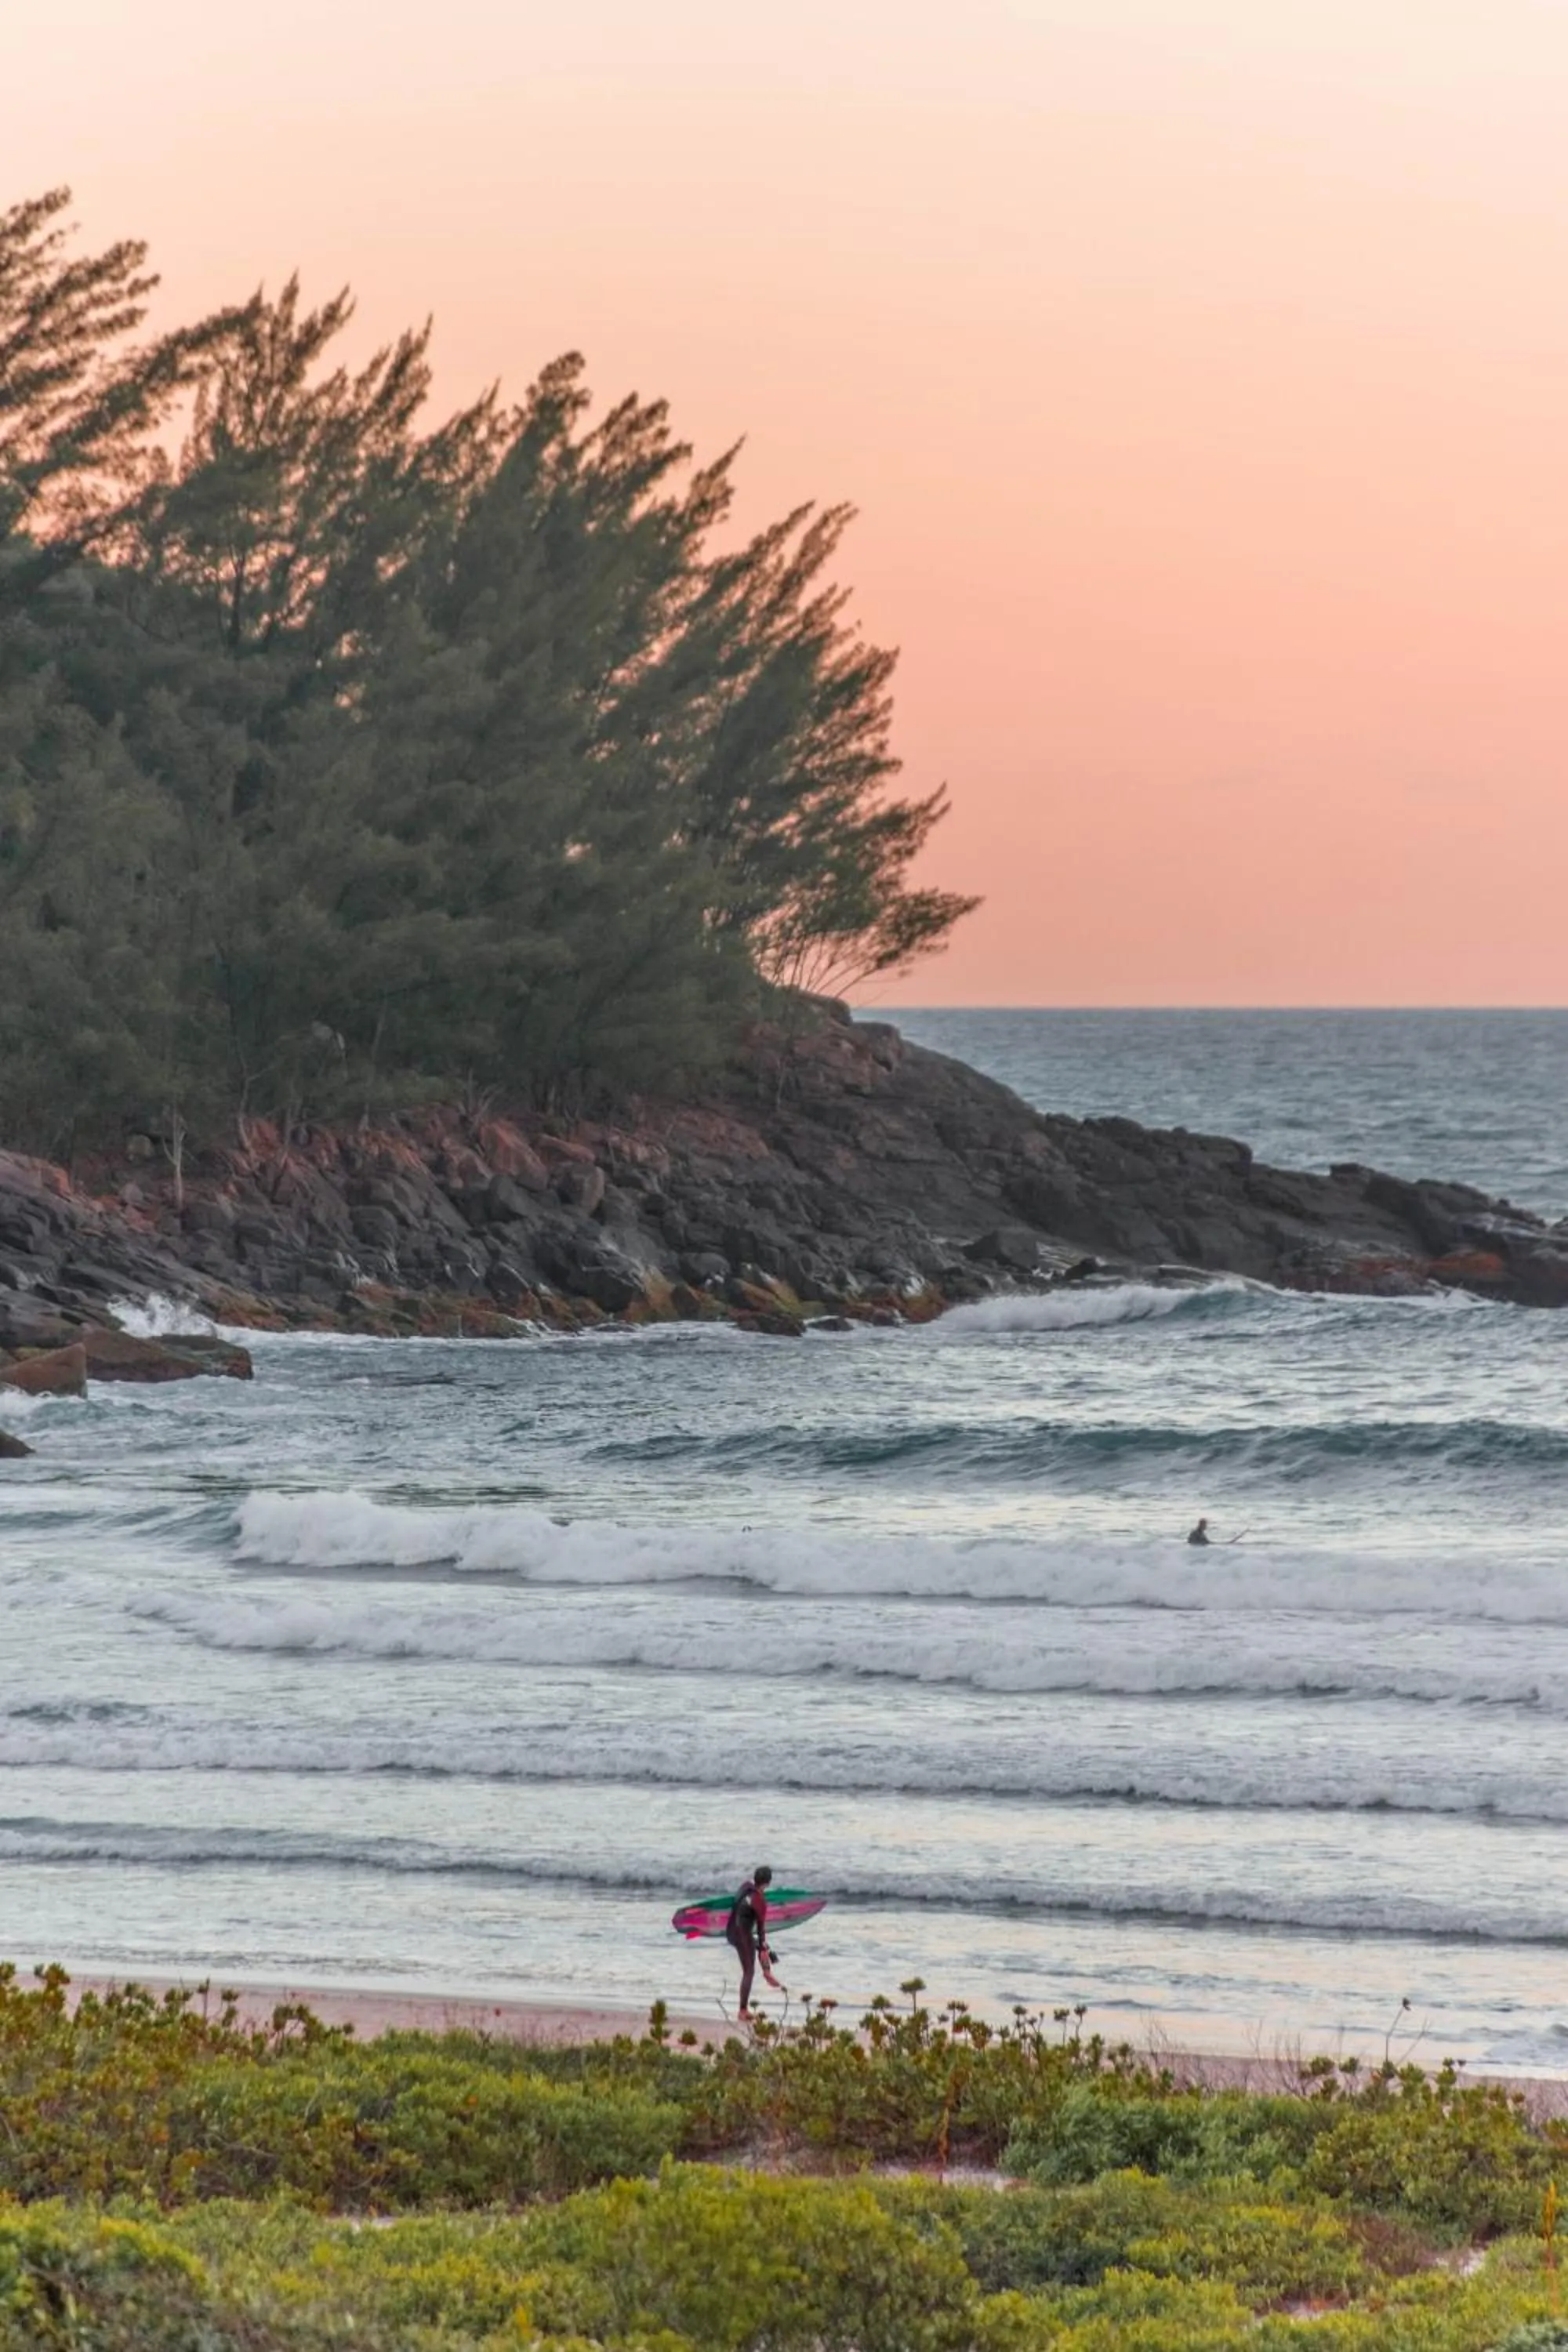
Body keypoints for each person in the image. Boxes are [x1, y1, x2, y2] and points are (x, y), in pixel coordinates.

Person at [725, 1864, 779, 2020]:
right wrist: (762, 1946)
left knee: (764, 1947)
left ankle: (767, 1971)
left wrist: (763, 1946)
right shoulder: (760, 1900)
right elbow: (761, 1928)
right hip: (743, 1935)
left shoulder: (745, 1888)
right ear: (768, 1882)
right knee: (749, 1971)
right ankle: (743, 2010)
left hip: (733, 1931)